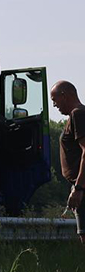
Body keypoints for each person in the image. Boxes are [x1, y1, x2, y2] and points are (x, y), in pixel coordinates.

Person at [49, 81, 85, 244]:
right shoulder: (75, 115)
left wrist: (78, 188)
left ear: (65, 95)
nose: (54, 104)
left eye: (55, 99)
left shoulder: (78, 114)